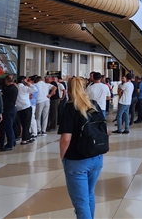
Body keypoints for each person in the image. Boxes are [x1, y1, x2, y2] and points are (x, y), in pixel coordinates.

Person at [59, 77, 104, 219]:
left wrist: (62, 157)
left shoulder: (70, 108)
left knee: (81, 203)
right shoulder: (94, 104)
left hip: (77, 160)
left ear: (69, 90)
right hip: (96, 156)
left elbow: (66, 139)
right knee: (89, 195)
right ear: (85, 88)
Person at [0, 75, 18, 151]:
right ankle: (2, 143)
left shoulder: (9, 88)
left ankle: (10, 144)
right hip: (11, 109)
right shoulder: (14, 87)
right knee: (3, 127)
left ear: (6, 81)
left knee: (8, 127)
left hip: (8, 110)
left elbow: (1, 94)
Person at [16, 76, 37, 145]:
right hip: (26, 107)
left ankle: (28, 137)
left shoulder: (16, 87)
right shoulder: (23, 87)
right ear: (23, 80)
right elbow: (35, 89)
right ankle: (24, 139)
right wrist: (29, 84)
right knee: (26, 124)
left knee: (22, 123)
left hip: (18, 108)